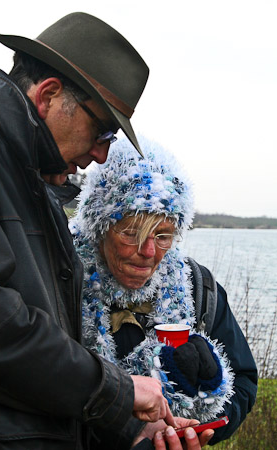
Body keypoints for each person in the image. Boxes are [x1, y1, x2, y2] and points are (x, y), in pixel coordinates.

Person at [0, 12, 204, 450]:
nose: (100, 155)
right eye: (101, 130)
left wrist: (128, 427)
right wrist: (117, 390)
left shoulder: (34, 183)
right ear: (48, 96)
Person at [70, 136, 258, 447]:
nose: (148, 251)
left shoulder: (199, 286)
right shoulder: (60, 277)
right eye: (132, 233)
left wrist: (193, 424)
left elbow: (244, 381)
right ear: (99, 225)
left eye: (163, 235)